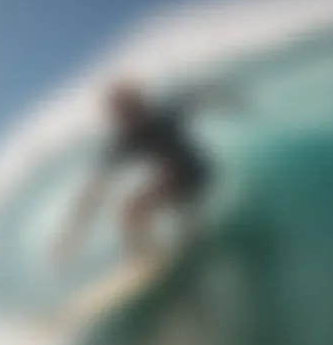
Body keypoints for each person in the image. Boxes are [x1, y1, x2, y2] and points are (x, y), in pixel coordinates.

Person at [55, 80, 217, 262]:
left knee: (134, 211)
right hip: (175, 180)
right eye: (121, 113)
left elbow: (195, 98)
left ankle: (158, 256)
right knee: (132, 213)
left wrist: (223, 98)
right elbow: (95, 190)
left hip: (195, 172)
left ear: (140, 104)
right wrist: (73, 235)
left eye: (130, 108)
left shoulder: (163, 117)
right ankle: (159, 254)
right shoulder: (127, 139)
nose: (128, 117)